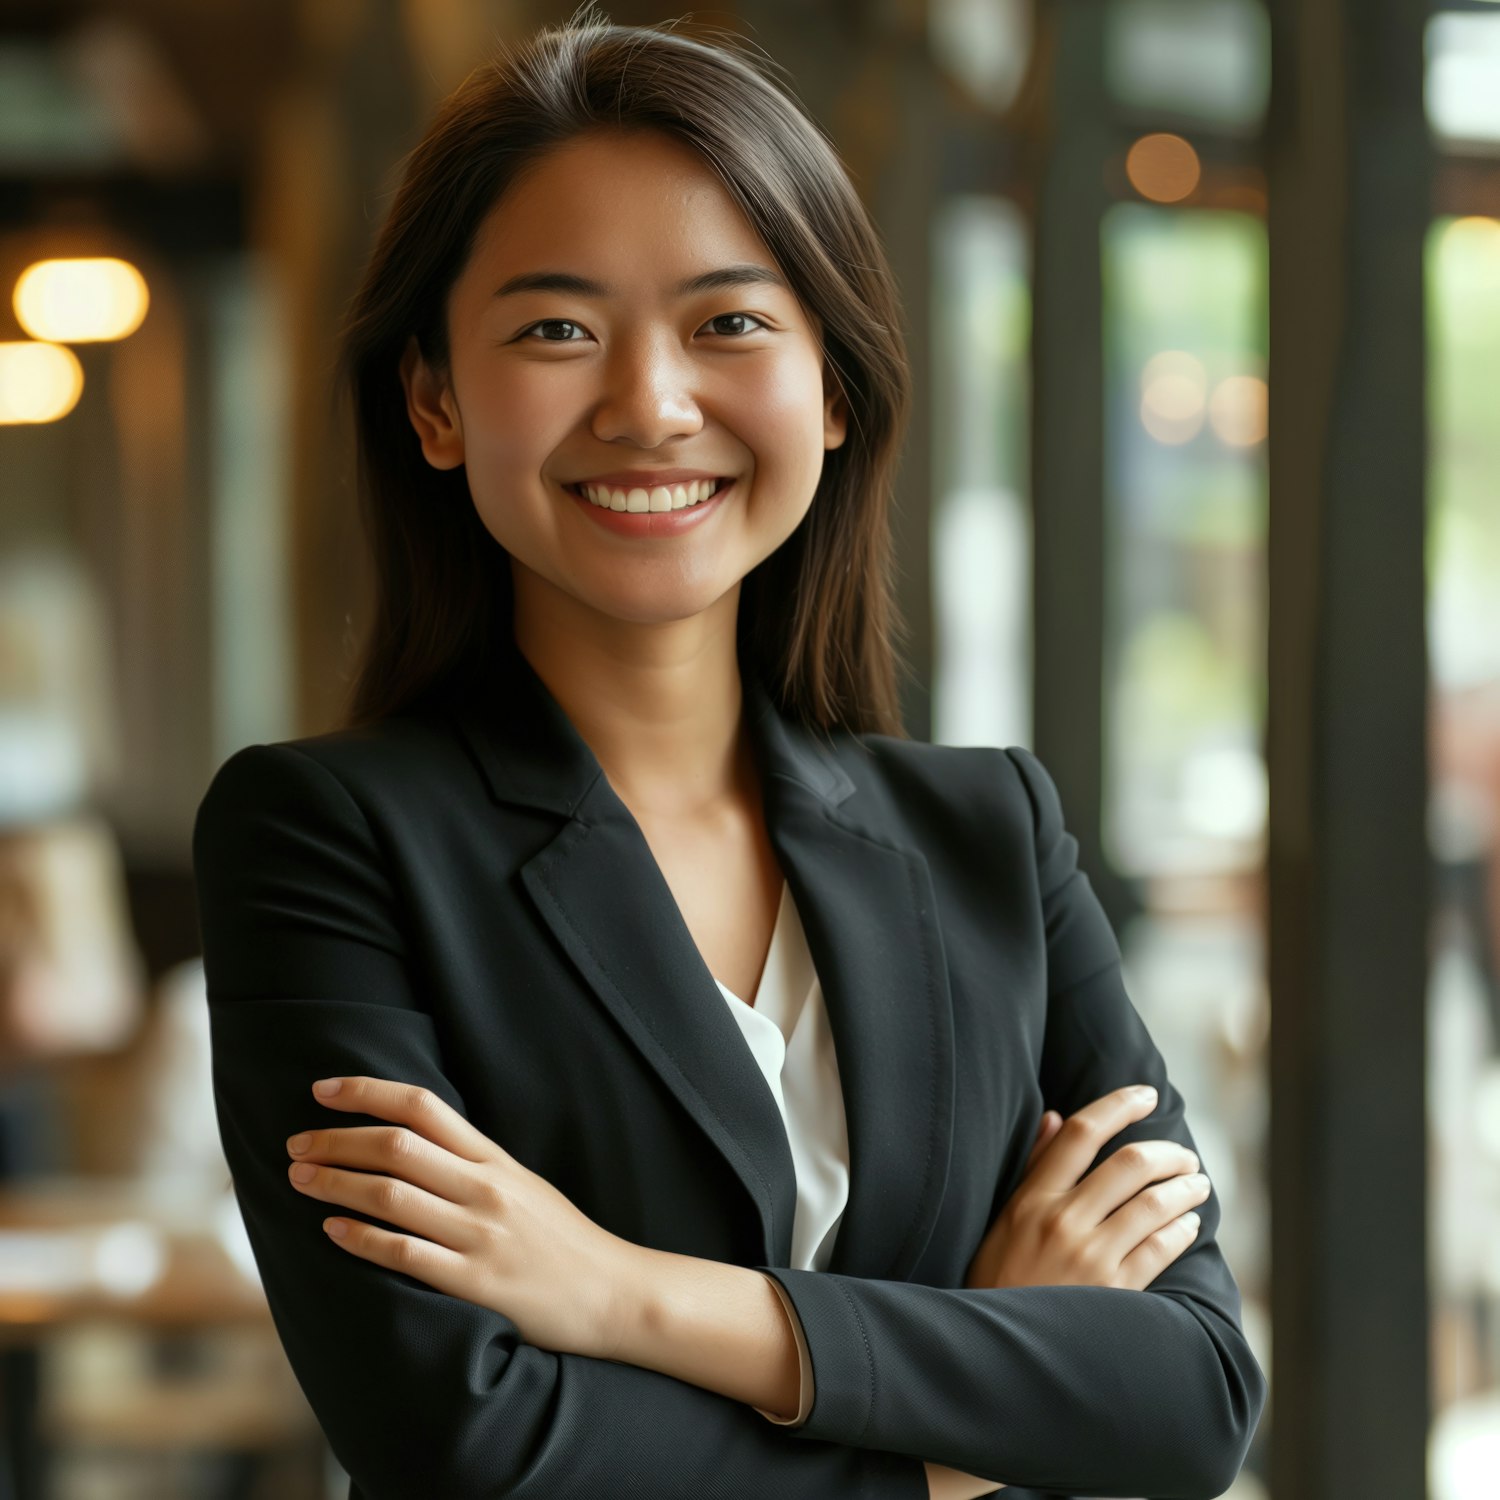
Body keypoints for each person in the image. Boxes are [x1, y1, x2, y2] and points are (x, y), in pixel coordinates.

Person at [190, 8, 1267, 1498]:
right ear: (435, 399)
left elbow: (1195, 1396)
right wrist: (958, 1445)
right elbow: (468, 1442)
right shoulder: (326, 838)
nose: (649, 403)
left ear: (833, 390)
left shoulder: (990, 835)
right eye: (556, 327)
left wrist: (629, 1297)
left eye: (729, 322)